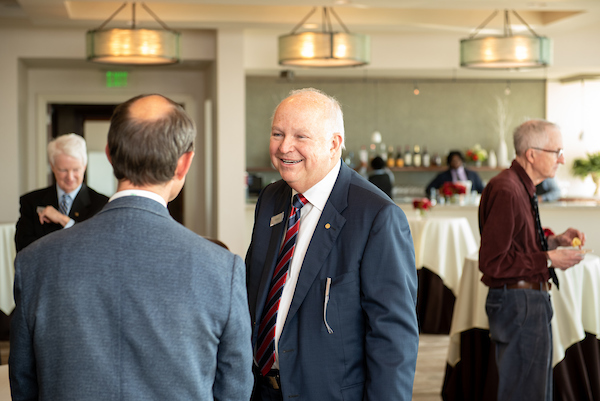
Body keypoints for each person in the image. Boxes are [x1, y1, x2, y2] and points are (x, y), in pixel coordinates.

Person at [9, 94, 253, 401]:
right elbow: (234, 390)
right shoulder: (221, 269)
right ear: (184, 163)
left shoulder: (35, 262)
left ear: (110, 155)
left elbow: (23, 383)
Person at [246, 88, 419, 400]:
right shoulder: (271, 199)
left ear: (334, 144)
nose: (285, 146)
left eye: (301, 136)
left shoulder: (377, 216)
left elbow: (394, 338)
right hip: (260, 391)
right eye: (278, 133)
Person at [479, 119, 585, 401]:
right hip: (519, 303)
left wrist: (554, 241)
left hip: (526, 301)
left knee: (533, 390)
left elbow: (517, 246)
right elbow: (493, 262)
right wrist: (549, 258)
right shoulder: (507, 189)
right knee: (525, 393)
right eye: (556, 151)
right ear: (531, 154)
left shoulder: (518, 185)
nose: (562, 159)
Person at [15, 133, 108, 252]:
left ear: (84, 166)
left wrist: (63, 220)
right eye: (63, 170)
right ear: (52, 166)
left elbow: (97, 247)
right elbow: (23, 249)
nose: (70, 177)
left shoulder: (102, 204)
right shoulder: (31, 202)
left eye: (76, 170)